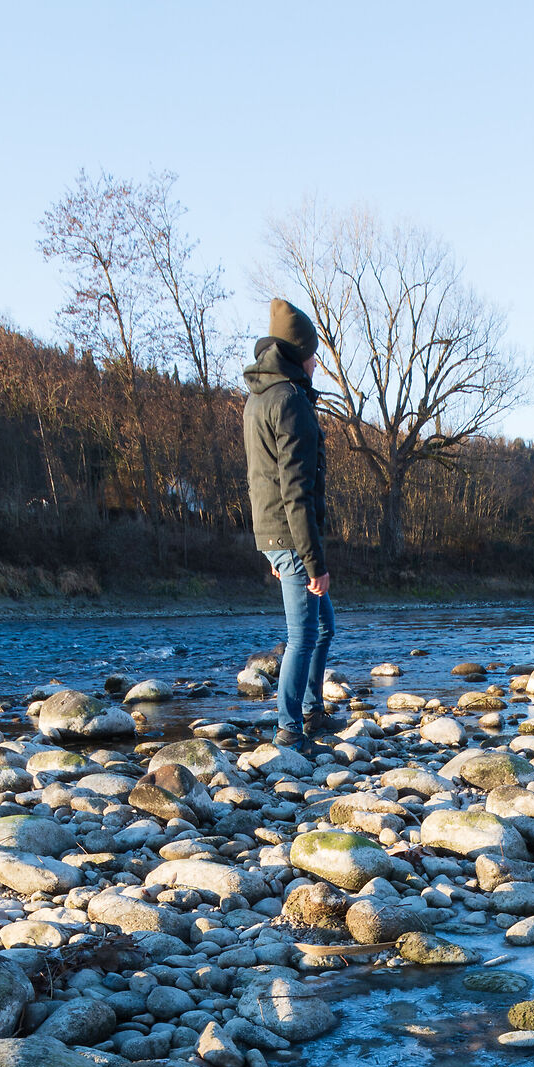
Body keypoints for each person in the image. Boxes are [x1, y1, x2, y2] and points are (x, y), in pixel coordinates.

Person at [243, 296, 333, 753]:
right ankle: (289, 729)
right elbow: (296, 488)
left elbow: (259, 478)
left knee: (323, 627)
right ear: (301, 354)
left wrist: (270, 546)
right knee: (303, 636)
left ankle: (313, 712)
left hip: (276, 533)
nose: (317, 361)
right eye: (314, 353)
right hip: (294, 536)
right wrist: (312, 560)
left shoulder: (258, 398)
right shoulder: (290, 401)